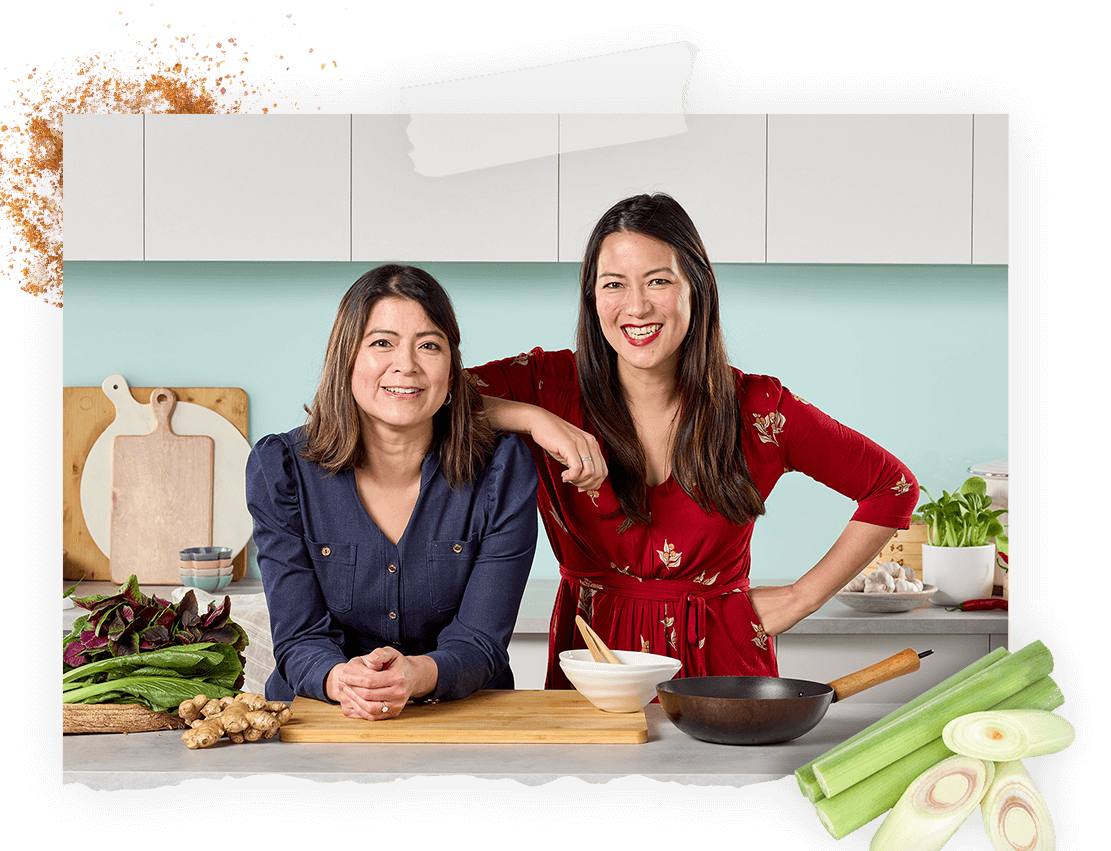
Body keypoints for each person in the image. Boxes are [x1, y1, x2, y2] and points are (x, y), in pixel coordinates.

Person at [468, 193, 919, 689]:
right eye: (613, 284)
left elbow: (892, 486)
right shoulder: (545, 386)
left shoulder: (758, 408)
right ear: (592, 298)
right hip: (594, 667)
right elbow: (421, 398)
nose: (636, 306)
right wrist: (533, 419)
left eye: (658, 280)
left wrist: (801, 598)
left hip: (723, 667)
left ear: (696, 287)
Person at [246, 264, 538, 719]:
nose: (407, 365)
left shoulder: (502, 471)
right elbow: (299, 636)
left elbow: (481, 641)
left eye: (429, 345)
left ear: (451, 371)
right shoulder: (282, 470)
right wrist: (343, 680)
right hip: (316, 719)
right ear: (347, 358)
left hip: (460, 719)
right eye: (382, 343)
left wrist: (416, 675)